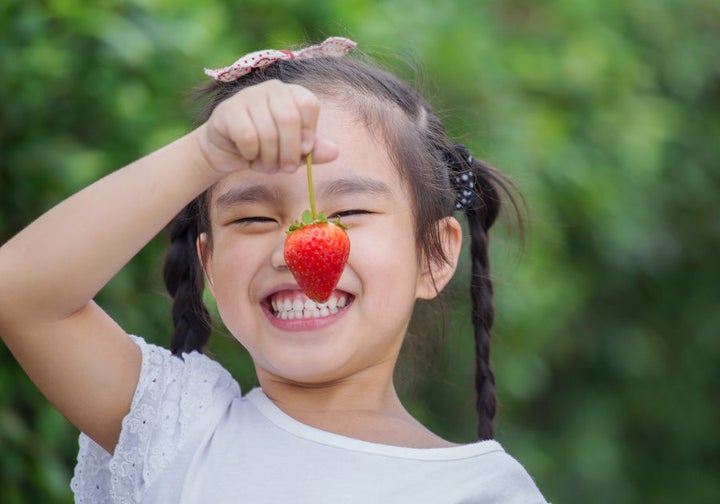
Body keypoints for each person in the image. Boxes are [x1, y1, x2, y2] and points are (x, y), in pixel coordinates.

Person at [0, 36, 548, 502]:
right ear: (210, 267)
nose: (295, 246)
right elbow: (19, 291)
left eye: (349, 212)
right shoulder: (179, 431)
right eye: (255, 217)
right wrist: (203, 155)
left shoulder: (481, 490)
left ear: (433, 254)